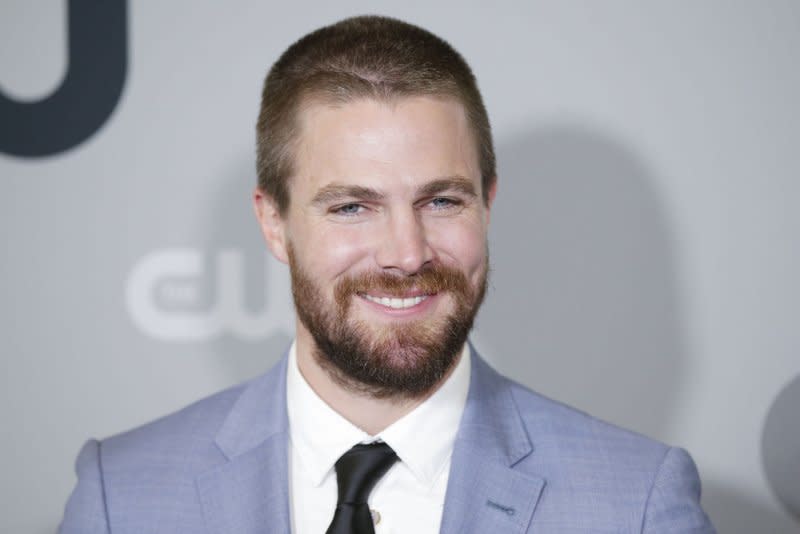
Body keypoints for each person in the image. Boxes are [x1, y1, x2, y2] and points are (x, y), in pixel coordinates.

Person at [59, 15, 715, 533]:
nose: (406, 253)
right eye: (352, 206)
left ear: (488, 203)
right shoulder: (125, 496)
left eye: (441, 201)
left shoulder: (635, 506)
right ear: (273, 223)